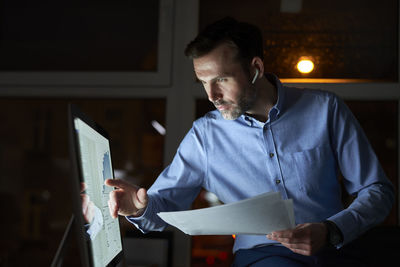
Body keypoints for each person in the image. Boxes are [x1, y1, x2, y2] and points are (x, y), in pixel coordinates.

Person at [105, 17, 394, 266]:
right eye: (203, 82)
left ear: (255, 68)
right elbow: (163, 207)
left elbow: (378, 191)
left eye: (221, 80)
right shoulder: (204, 136)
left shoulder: (325, 110)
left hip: (338, 249)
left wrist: (331, 230)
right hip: (263, 257)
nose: (211, 95)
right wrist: (139, 208)